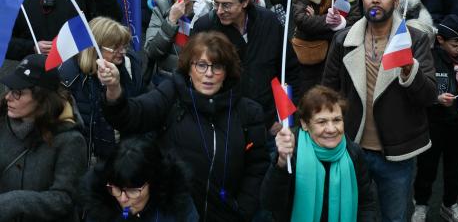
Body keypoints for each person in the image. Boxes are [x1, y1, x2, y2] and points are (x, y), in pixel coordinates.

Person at [98, 31, 270, 222]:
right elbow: (131, 116)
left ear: (227, 71)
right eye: (201, 65)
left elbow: (257, 165)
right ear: (189, 68)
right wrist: (114, 89)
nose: (209, 74)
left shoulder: (248, 111)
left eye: (217, 66)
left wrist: (242, 208)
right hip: (175, 215)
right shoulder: (172, 94)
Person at [322, 0, 437, 222]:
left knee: (393, 218)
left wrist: (410, 71)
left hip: (396, 155)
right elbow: (327, 94)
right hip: (351, 149)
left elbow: (429, 96)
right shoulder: (343, 40)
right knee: (349, 215)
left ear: (395, 1)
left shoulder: (414, 40)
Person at [192, 0, 301, 136]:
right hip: (224, 128)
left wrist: (284, 118)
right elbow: (192, 77)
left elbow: (289, 71)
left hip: (269, 125)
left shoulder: (269, 22)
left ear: (245, 1)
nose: (219, 10)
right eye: (216, 3)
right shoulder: (205, 28)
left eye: (226, 4)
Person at [260, 85, 379, 221]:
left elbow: (366, 204)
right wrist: (281, 162)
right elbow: (270, 203)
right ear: (305, 124)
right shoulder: (290, 150)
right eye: (322, 122)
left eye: (337, 120)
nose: (331, 129)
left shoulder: (354, 153)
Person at [0, 54, 87, 221]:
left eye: (18, 93)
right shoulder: (2, 122)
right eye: (10, 89)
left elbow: (65, 199)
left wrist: (17, 201)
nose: (8, 97)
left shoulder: (70, 140)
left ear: (42, 98)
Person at [413, 15, 458, 222]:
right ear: (440, 40)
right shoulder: (429, 57)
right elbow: (418, 89)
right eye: (455, 44)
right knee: (427, 168)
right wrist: (436, 98)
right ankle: (420, 205)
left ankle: (450, 205)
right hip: (433, 123)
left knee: (454, 170)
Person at [60, 17, 145, 162]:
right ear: (95, 47)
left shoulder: (131, 64)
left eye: (124, 46)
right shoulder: (71, 74)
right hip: (89, 157)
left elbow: (141, 107)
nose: (122, 52)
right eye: (115, 47)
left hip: (125, 152)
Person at [82, 137, 199, 221]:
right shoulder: (100, 208)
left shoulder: (177, 206)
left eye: (132, 191)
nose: (122, 199)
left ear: (153, 182)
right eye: (116, 189)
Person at [292, 0, 361, 95]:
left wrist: (338, 22)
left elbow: (355, 21)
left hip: (339, 55)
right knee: (311, 97)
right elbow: (301, 20)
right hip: (310, 54)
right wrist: (332, 23)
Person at [145, 0, 199, 80]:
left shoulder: (204, 11)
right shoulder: (161, 8)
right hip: (167, 77)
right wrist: (171, 20)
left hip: (196, 79)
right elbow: (151, 51)